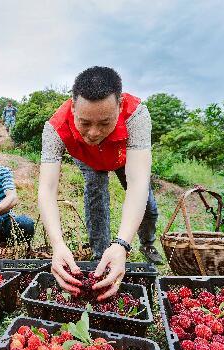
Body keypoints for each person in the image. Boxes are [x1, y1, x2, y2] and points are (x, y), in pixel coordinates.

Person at [38, 66, 162, 301]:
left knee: (148, 205)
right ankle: (100, 256)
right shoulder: (54, 128)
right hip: (88, 160)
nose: (94, 133)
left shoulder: (137, 115)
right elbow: (47, 188)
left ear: (120, 105)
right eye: (84, 123)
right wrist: (57, 245)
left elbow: (137, 183)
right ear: (73, 107)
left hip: (123, 158)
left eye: (105, 123)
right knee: (95, 197)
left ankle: (147, 244)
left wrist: (123, 244)